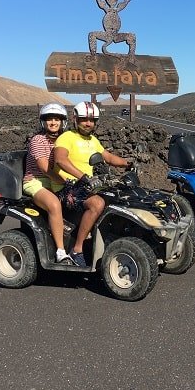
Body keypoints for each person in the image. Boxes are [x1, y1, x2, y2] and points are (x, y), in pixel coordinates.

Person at [53, 101, 130, 266]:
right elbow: (60, 159)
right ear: (75, 119)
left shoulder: (93, 140)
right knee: (97, 203)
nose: (88, 123)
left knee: (118, 196)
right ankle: (77, 250)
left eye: (92, 120)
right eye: (84, 119)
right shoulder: (67, 137)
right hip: (67, 187)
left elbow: (108, 157)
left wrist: (127, 164)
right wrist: (83, 177)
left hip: (86, 185)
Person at [23, 103, 73, 264]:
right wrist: (67, 182)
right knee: (54, 205)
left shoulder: (63, 139)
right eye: (49, 119)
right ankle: (60, 251)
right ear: (43, 122)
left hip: (55, 180)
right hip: (36, 181)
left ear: (62, 122)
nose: (53, 122)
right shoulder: (38, 140)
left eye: (57, 119)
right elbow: (44, 168)